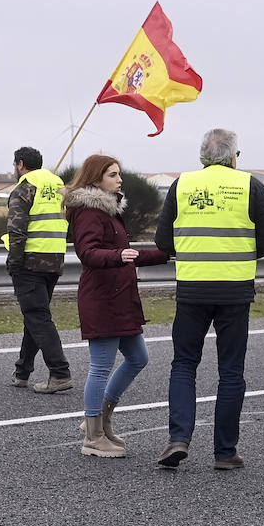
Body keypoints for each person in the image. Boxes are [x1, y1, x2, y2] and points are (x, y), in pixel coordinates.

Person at [154, 129, 264, 470]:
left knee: (183, 364)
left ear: (201, 157)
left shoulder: (181, 185)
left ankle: (178, 439)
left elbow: (163, 240)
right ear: (233, 157)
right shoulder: (249, 185)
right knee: (231, 371)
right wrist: (240, 253)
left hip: (192, 289)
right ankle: (225, 452)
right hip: (235, 290)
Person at [64, 154, 169, 458]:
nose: (119, 179)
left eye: (119, 174)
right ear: (96, 179)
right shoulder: (89, 212)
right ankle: (93, 436)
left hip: (121, 299)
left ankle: (101, 418)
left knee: (138, 357)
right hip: (103, 299)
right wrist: (116, 257)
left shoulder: (110, 211)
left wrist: (166, 254)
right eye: (112, 175)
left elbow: (128, 253)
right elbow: (88, 252)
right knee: (100, 367)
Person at [6, 146, 73, 394]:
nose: (14, 169)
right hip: (54, 259)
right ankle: (23, 371)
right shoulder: (57, 184)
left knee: (37, 316)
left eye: (14, 165)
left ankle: (60, 372)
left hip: (30, 261)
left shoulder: (24, 187)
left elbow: (16, 229)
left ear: (20, 164)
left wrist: (14, 262)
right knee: (34, 316)